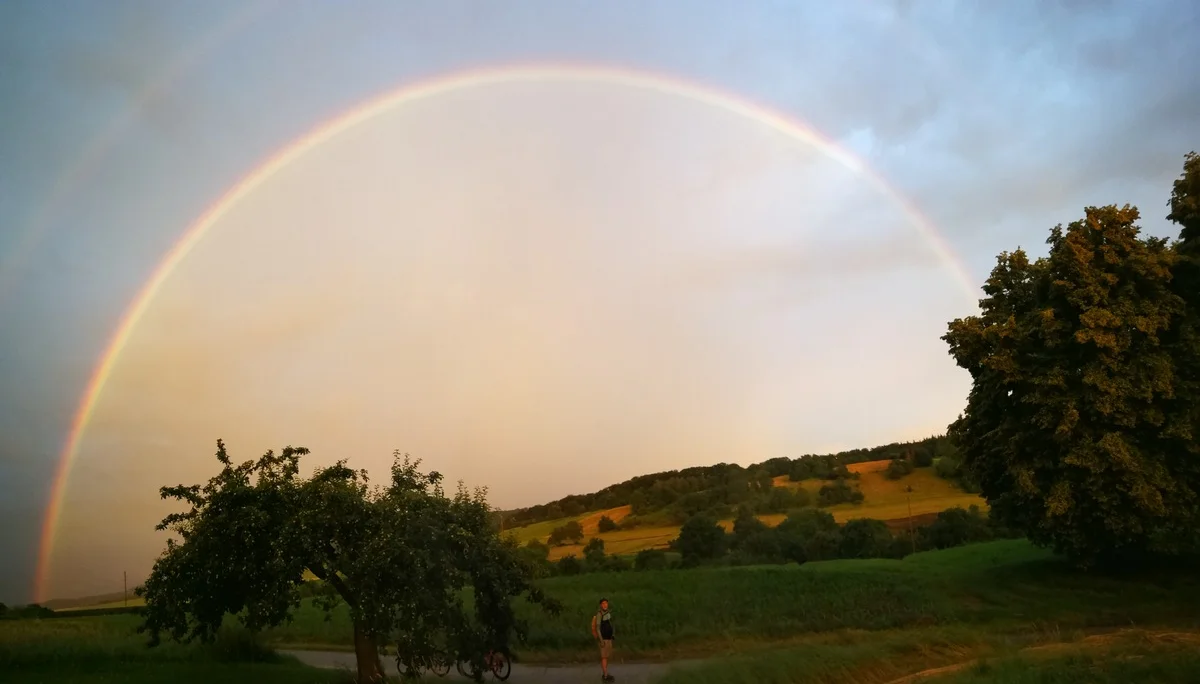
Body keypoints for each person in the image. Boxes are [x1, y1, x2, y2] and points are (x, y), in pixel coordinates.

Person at [590, 597, 615, 681]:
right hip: (603, 639)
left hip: (608, 638)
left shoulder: (607, 613)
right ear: (600, 605)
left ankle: (605, 673)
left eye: (606, 603)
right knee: (604, 657)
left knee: (607, 657)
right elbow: (597, 628)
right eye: (603, 603)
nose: (605, 605)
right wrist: (601, 640)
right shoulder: (599, 614)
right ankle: (605, 676)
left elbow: (610, 624)